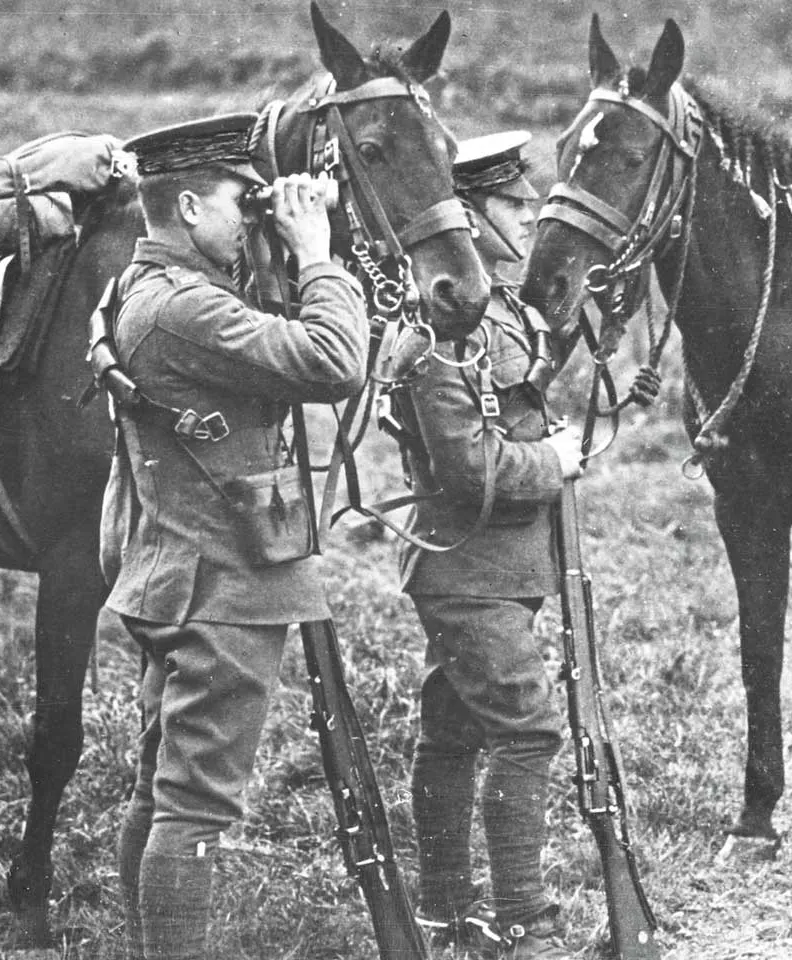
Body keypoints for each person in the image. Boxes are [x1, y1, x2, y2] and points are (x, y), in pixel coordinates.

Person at [102, 113, 366, 960]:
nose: (252, 217)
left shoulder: (142, 290)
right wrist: (318, 252)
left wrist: (294, 248)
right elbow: (332, 362)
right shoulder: (184, 311)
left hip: (178, 569)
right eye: (236, 202)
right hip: (222, 583)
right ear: (186, 206)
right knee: (196, 807)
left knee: (163, 786)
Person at [393, 130, 585, 959]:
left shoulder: (499, 307)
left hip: (503, 564)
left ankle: (443, 912)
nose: (531, 217)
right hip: (467, 565)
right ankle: (524, 921)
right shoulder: (441, 333)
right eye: (515, 205)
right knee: (528, 731)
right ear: (470, 213)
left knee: (455, 730)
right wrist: (556, 459)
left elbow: (527, 380)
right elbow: (474, 470)